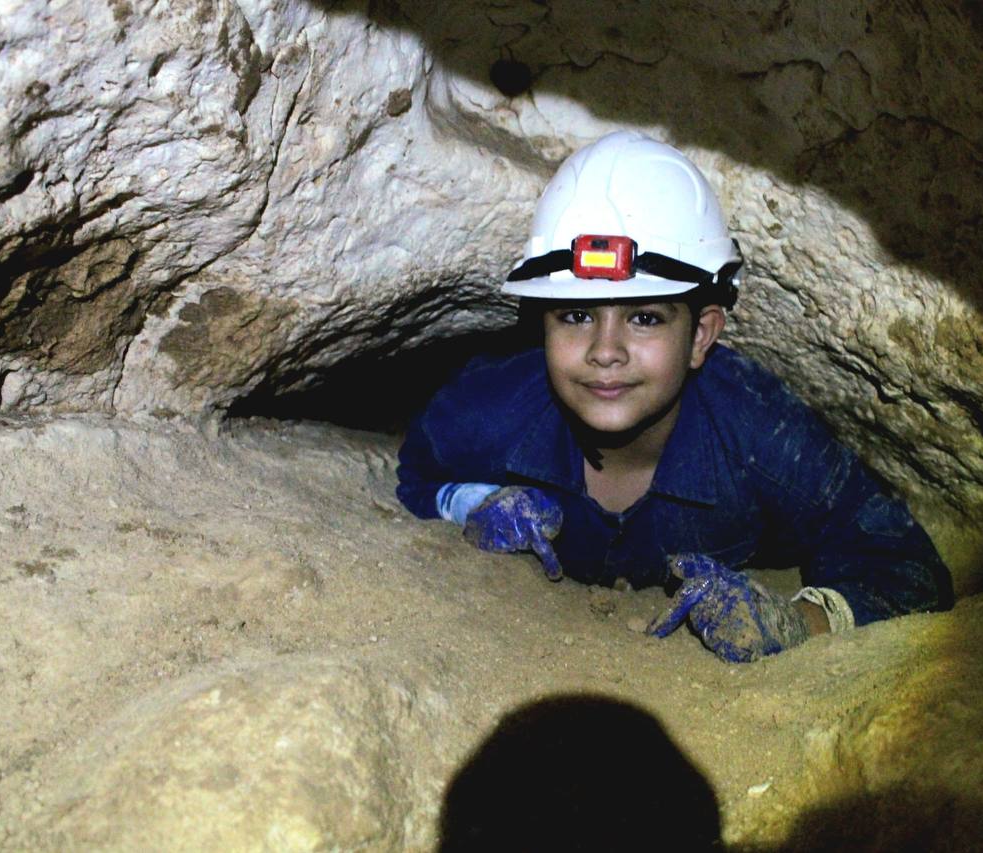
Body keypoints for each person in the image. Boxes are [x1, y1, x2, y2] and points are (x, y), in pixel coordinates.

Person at [396, 131, 953, 662]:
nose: (605, 351)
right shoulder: (490, 409)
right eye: (576, 315)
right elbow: (415, 475)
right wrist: (473, 502)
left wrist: (795, 621)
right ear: (542, 325)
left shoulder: (760, 434)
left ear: (701, 336)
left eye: (644, 318)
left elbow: (906, 566)